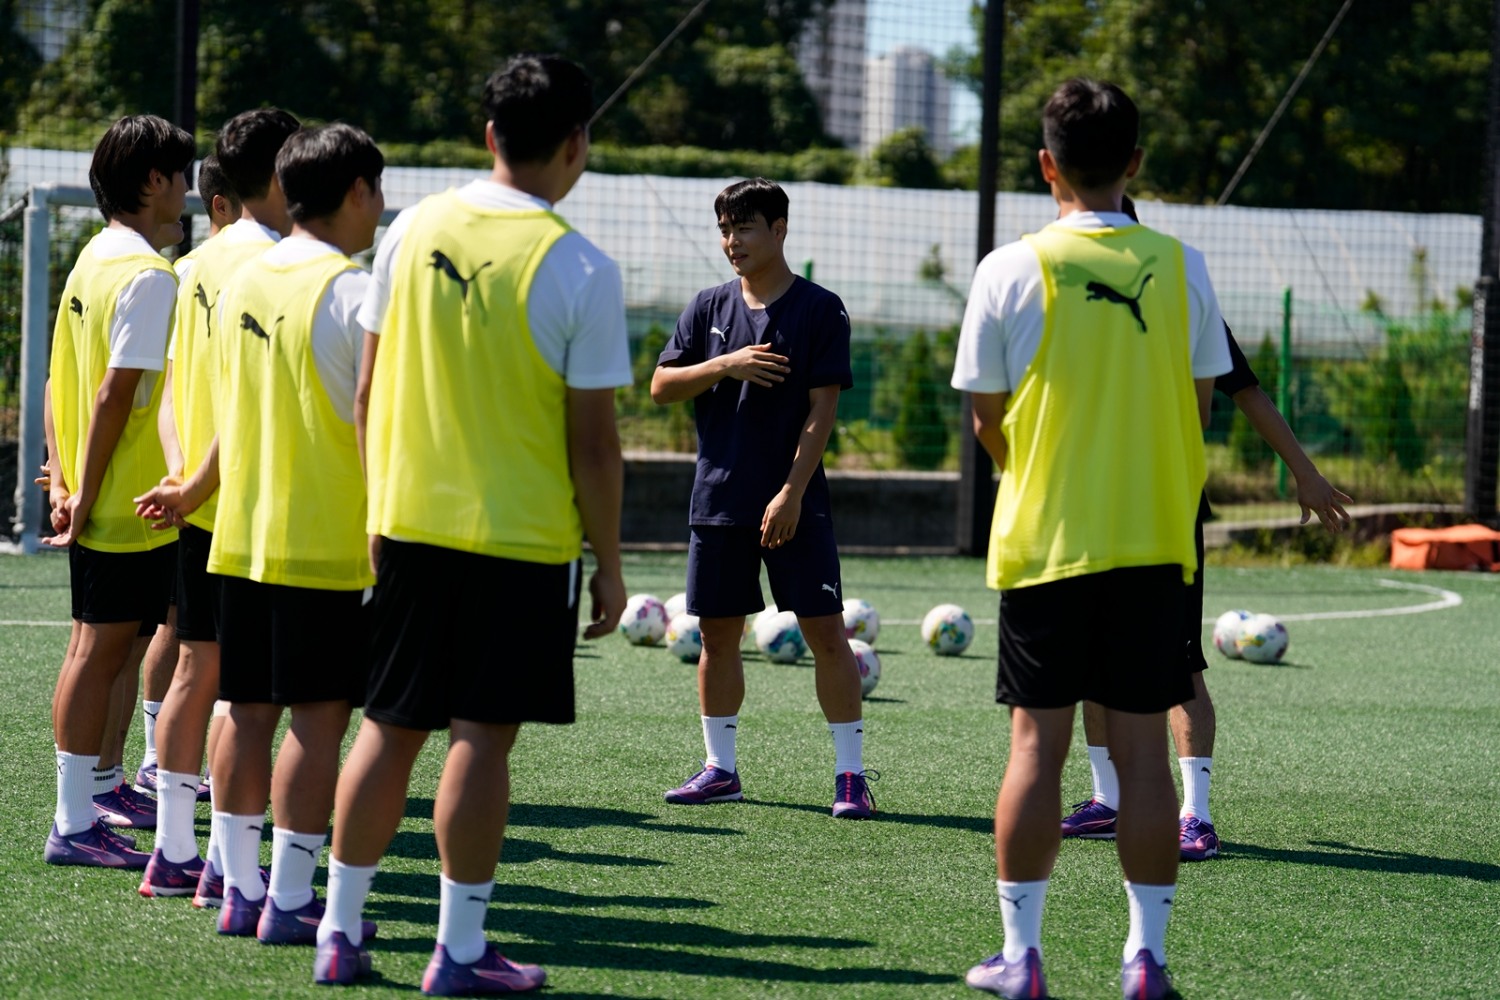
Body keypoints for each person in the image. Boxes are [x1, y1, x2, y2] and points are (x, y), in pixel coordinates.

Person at [314, 54, 629, 993]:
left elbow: (368, 391)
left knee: (387, 728)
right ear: (577, 144)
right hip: (520, 544)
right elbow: (595, 446)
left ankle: (338, 931)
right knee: (480, 740)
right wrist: (611, 564)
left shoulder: (409, 229)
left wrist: (378, 507)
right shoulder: (582, 266)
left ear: (489, 135)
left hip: (408, 525)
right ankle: (456, 952)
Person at [949, 80, 1232, 1000]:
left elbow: (985, 421)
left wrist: (1039, 474)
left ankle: (1020, 958)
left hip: (1046, 542)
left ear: (1046, 165)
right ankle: (1145, 961)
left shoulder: (1008, 268)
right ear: (1135, 163)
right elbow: (1198, 411)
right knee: (1144, 753)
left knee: (1037, 748)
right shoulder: (1182, 266)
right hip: (1154, 541)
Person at [1062, 198, 1352, 862]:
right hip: (1089, 503)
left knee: (1177, 659)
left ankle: (1196, 814)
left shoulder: (1180, 296)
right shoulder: (1064, 294)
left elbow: (1245, 390)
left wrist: (1305, 472)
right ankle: (1108, 799)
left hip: (1164, 503)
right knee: (1091, 656)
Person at [651, 177, 871, 818]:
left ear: (779, 229)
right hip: (718, 501)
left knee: (825, 634)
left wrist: (792, 493)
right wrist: (727, 364)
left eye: (744, 227)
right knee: (718, 638)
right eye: (725, 229)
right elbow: (662, 385)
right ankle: (720, 770)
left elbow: (822, 411)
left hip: (794, 504)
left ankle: (851, 777)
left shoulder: (821, 309)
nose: (732, 241)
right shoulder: (707, 307)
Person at [133, 111, 300, 903]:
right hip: (249, 503)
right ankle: (233, 870)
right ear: (283, 173)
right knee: (248, 696)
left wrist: (180, 479)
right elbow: (251, 402)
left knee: (196, 673)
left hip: (198, 499)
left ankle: (174, 853)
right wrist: (202, 484)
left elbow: (174, 388)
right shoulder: (274, 265)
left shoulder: (195, 261)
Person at [41, 114, 193, 869]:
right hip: (126, 507)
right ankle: (73, 823)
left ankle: (100, 790)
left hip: (106, 500)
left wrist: (65, 478)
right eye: (181, 175)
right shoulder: (148, 275)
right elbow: (112, 394)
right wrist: (88, 493)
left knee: (115, 651)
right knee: (97, 655)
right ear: (155, 180)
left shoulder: (93, 257)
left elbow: (54, 382)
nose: (189, 191)